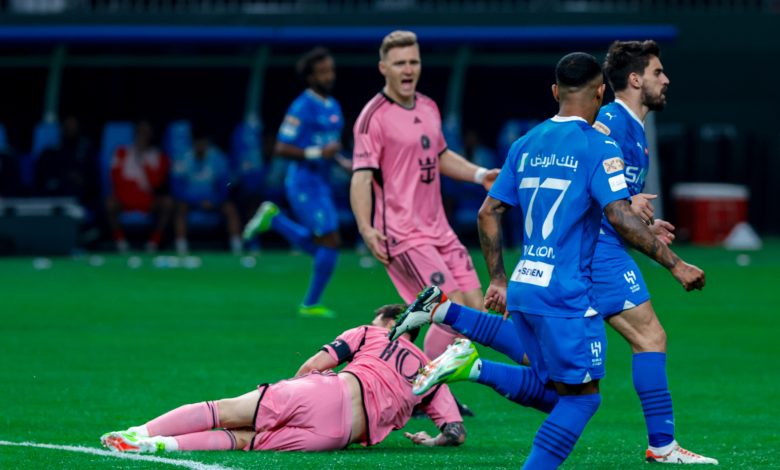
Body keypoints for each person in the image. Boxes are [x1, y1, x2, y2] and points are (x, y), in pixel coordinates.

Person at [390, 41, 719, 465]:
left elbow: (488, 212)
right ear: (601, 92)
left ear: (554, 92)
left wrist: (498, 279)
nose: (665, 79)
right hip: (568, 288)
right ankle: (662, 445)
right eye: (658, 72)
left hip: (526, 282)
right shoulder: (598, 142)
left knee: (552, 391)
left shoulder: (525, 142)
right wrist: (675, 265)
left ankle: (455, 333)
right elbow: (617, 216)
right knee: (585, 396)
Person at [100, 304, 466, 453]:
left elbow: (313, 366)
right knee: (244, 440)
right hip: (337, 437)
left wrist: (291, 393)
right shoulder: (432, 371)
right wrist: (432, 440)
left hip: (327, 392)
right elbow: (455, 432)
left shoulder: (372, 333)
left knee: (225, 410)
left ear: (390, 322)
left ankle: (138, 432)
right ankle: (159, 447)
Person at [350, 30, 499, 365]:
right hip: (402, 233)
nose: (408, 69)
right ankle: (416, 387)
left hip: (439, 230)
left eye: (413, 62)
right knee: (449, 310)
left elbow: (439, 155)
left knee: (475, 311)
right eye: (399, 63)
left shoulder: (428, 106)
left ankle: (410, 370)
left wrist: (480, 175)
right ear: (383, 68)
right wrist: (365, 228)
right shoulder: (373, 118)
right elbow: (361, 177)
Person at [243, 47, 350, 318]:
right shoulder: (301, 107)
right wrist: (318, 153)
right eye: (322, 72)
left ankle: (275, 220)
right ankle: (310, 304)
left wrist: (342, 162)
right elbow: (280, 148)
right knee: (331, 241)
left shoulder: (334, 106)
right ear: (310, 77)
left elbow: (329, 147)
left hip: (322, 182)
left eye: (330, 70)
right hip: (303, 182)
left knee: (326, 243)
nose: (329, 76)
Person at [105, 120, 174, 253]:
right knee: (110, 204)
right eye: (140, 133)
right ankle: (120, 243)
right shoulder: (121, 152)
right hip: (125, 197)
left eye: (146, 133)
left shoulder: (158, 156)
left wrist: (143, 160)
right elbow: (114, 178)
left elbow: (156, 183)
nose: (142, 136)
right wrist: (130, 192)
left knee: (167, 203)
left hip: (147, 199)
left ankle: (153, 243)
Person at [171, 132, 243, 255]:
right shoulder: (182, 158)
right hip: (189, 201)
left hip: (213, 200)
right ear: (193, 143)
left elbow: (225, 185)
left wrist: (214, 201)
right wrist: (197, 202)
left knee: (230, 209)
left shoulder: (218, 157)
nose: (200, 146)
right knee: (180, 208)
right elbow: (176, 188)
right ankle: (181, 248)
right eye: (198, 143)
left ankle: (237, 248)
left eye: (203, 143)